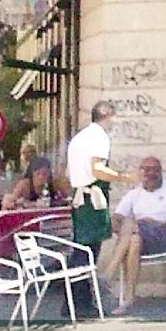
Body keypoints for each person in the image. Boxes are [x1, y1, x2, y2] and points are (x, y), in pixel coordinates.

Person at [104, 157, 166, 314]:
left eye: (155, 169)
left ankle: (109, 274)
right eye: (146, 169)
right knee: (134, 239)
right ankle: (129, 299)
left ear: (161, 172)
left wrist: (155, 225)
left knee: (131, 225)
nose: (151, 173)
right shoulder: (134, 193)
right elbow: (116, 219)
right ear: (140, 172)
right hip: (140, 236)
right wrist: (128, 228)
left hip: (165, 235)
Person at [65, 101, 135, 267]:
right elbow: (98, 169)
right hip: (92, 199)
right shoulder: (100, 137)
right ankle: (82, 290)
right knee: (90, 248)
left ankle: (79, 288)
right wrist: (124, 177)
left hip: (79, 197)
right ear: (108, 116)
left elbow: (68, 172)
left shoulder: (79, 137)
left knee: (81, 246)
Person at [0, 156, 67, 213]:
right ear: (32, 174)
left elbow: (69, 199)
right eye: (38, 173)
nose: (41, 177)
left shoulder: (54, 183)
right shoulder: (25, 185)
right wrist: (16, 203)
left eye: (44, 174)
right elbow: (8, 202)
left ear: (49, 174)